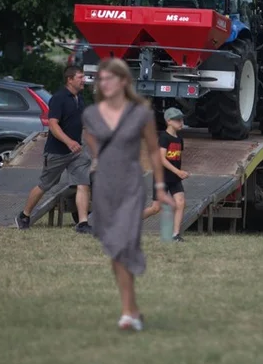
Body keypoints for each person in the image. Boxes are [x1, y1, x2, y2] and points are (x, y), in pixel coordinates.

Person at [82, 58, 169, 332]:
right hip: (105, 185)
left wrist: (159, 187)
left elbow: (154, 150)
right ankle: (132, 310)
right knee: (115, 249)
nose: (104, 83)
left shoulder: (140, 113)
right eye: (100, 79)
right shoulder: (92, 114)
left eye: (109, 78)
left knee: (124, 243)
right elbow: (88, 135)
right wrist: (99, 157)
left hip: (131, 185)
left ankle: (127, 313)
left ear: (123, 81)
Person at [16, 66, 94, 233]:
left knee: (83, 183)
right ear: (70, 79)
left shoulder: (79, 98)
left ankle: (82, 223)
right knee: (45, 184)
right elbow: (53, 125)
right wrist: (69, 142)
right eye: (80, 77)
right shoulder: (58, 98)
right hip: (57, 151)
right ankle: (24, 215)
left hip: (76, 151)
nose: (84, 80)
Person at [141, 107, 189, 242]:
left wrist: (180, 172)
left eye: (182, 119)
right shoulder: (163, 137)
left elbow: (177, 159)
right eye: (178, 120)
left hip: (174, 178)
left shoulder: (179, 139)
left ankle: (175, 235)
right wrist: (178, 172)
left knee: (180, 202)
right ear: (169, 121)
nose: (181, 122)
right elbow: (162, 159)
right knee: (155, 208)